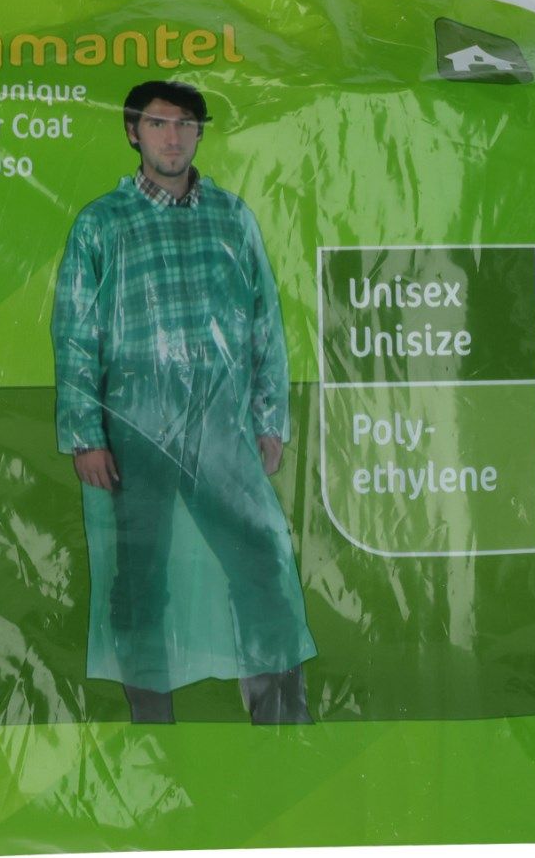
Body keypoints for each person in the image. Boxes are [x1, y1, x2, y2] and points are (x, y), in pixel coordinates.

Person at [51, 80, 317, 724]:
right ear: (133, 132)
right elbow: (76, 333)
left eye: (184, 125)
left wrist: (269, 420)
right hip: (133, 426)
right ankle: (151, 725)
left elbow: (264, 324)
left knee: (263, 559)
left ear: (199, 133)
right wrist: (85, 434)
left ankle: (281, 717)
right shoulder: (102, 224)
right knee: (140, 576)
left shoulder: (231, 218)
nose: (172, 138)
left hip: (222, 428)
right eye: (157, 124)